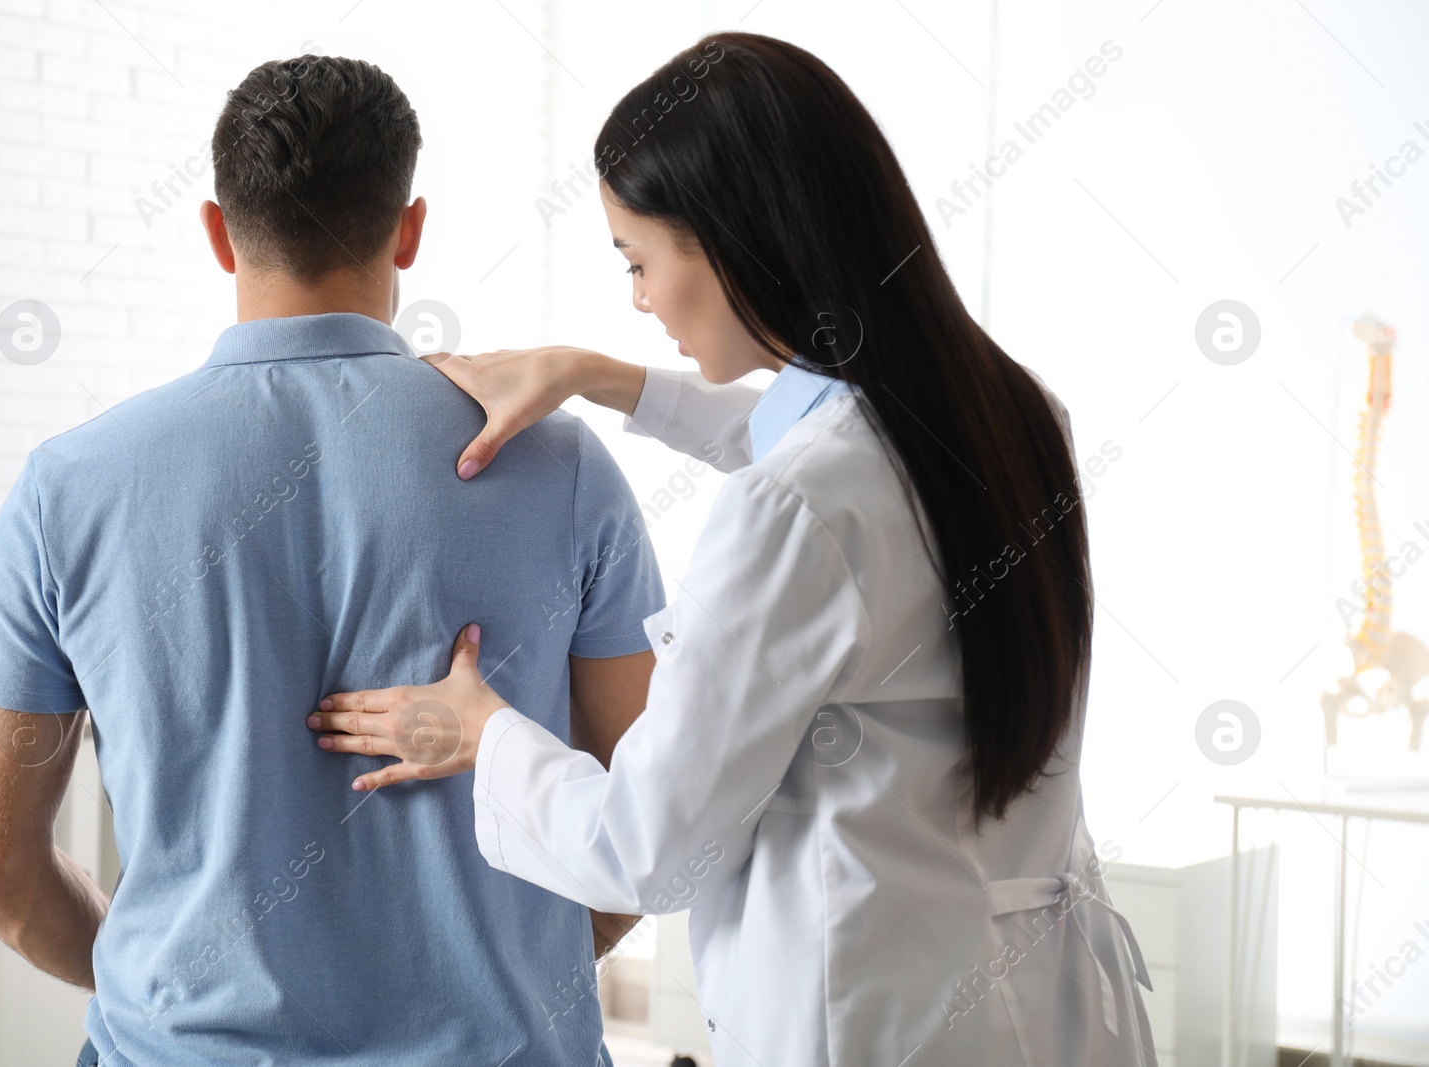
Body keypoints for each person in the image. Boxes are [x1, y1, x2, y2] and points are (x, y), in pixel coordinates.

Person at [308, 32, 1158, 1067]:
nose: (640, 298)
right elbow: (822, 451)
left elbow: (646, 846)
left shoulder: (796, 507)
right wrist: (598, 374)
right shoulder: (1009, 413)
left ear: (733, 240)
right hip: (1041, 1007)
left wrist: (484, 732)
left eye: (638, 261)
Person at [0, 55, 663, 1066]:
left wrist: (166, 992)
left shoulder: (68, 485)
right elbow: (651, 815)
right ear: (408, 228)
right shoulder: (560, 465)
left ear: (216, 231)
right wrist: (522, 978)